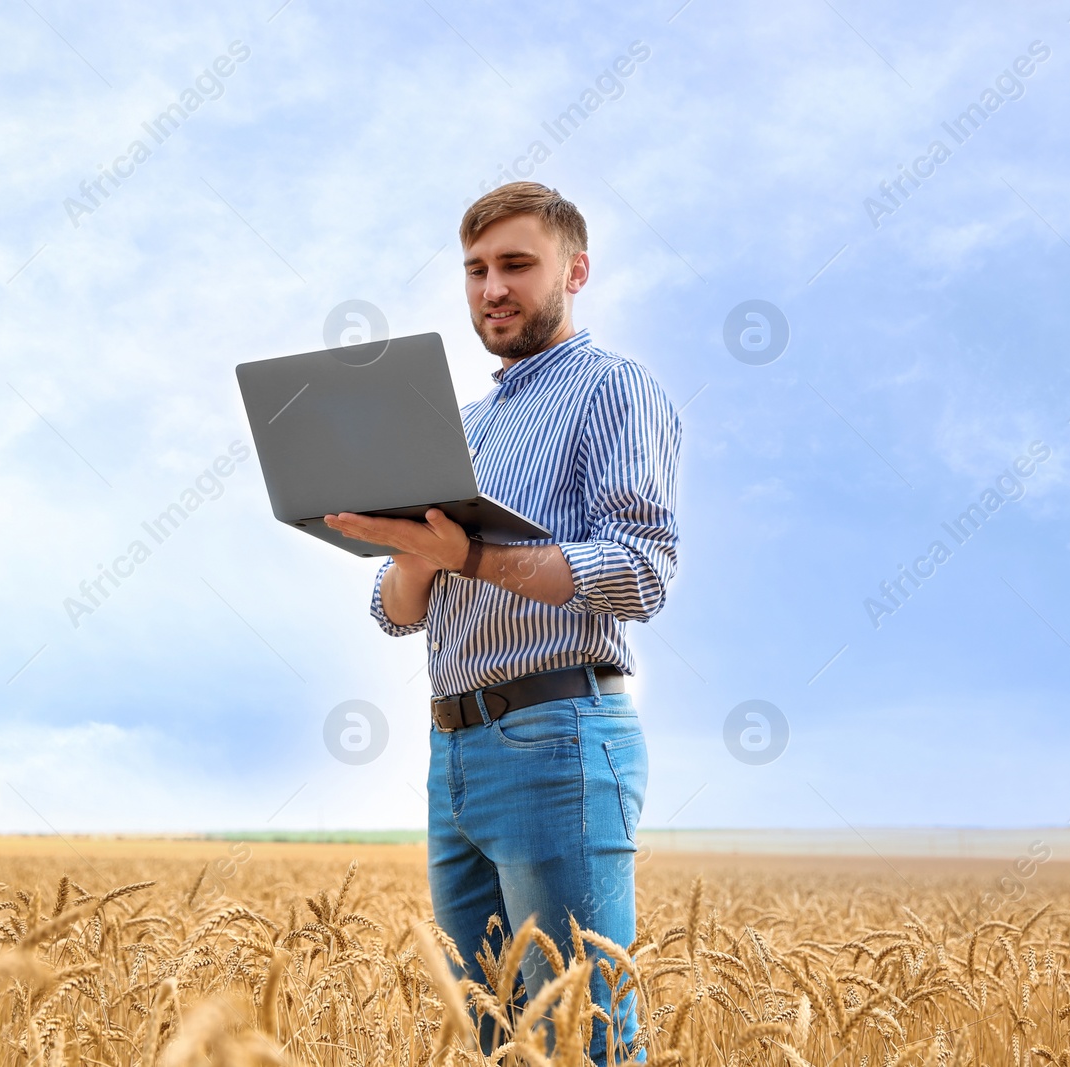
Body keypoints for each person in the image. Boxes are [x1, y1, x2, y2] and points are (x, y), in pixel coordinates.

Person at [323, 181, 682, 1064]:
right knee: (486, 1035)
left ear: (577, 269)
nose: (492, 289)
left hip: (558, 738)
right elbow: (396, 613)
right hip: (458, 750)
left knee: (582, 1032)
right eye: (477, 270)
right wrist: (405, 547)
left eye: (517, 265)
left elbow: (641, 571)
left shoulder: (614, 389)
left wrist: (470, 557)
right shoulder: (466, 426)